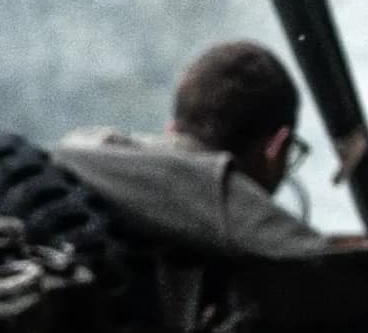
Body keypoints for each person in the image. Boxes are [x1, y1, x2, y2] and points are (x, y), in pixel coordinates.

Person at [47, 39, 333, 261]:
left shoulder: (79, 154)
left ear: (172, 128)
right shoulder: (222, 196)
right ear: (276, 147)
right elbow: (328, 263)